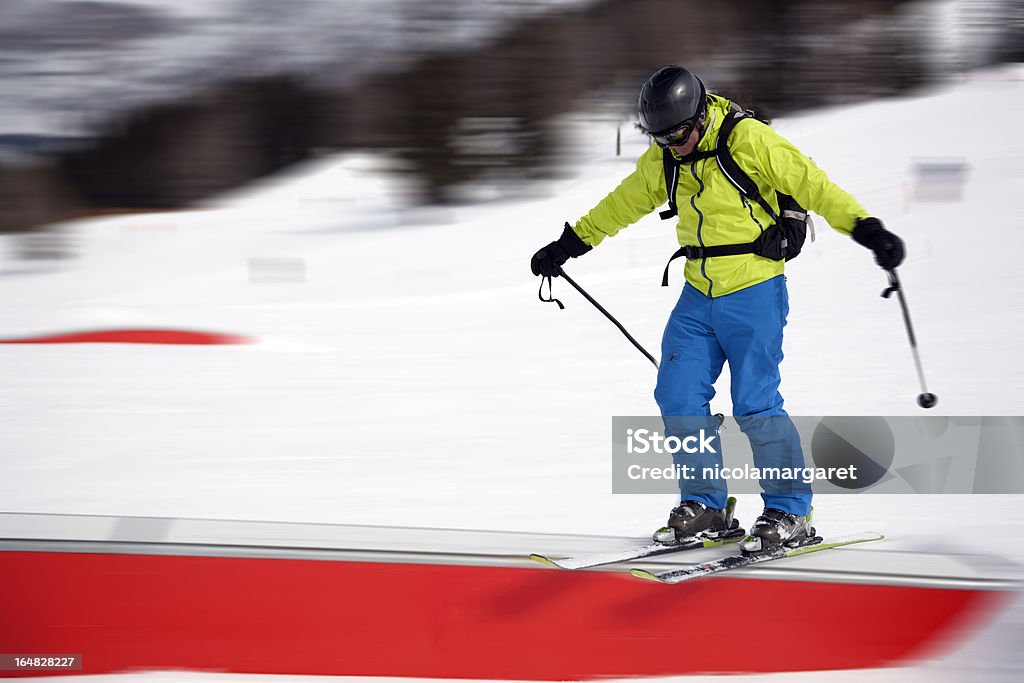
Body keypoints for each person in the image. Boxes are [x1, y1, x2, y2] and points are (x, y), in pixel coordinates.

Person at [530, 65, 904, 552]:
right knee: (677, 396)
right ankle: (706, 506)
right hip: (696, 294)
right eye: (661, 138)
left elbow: (816, 187)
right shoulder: (667, 156)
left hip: (754, 289)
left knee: (755, 404)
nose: (672, 145)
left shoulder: (749, 140)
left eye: (679, 135)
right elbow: (620, 204)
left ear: (699, 113)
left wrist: (868, 230)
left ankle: (790, 510)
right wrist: (568, 245)